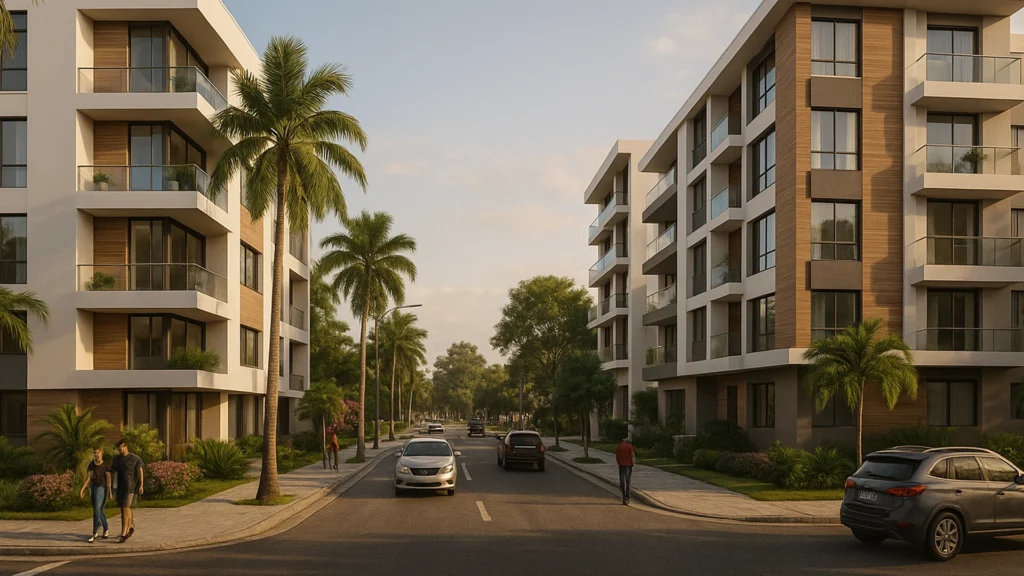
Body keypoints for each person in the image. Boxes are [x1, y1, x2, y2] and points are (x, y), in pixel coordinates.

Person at [111, 439, 144, 544]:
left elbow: (140, 471)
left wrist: (141, 484)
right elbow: (112, 471)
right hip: (120, 487)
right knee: (124, 509)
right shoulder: (117, 459)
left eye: (121, 449)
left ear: (125, 447)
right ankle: (130, 527)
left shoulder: (134, 458)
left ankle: (123, 533)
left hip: (130, 487)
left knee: (125, 508)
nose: (120, 451)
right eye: (119, 450)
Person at [78, 446, 112, 543]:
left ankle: (95, 529)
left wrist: (110, 492)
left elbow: (109, 479)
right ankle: (105, 528)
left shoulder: (106, 465)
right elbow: (89, 478)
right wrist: (82, 489)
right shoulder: (92, 464)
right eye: (95, 453)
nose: (96, 454)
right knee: (98, 509)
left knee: (97, 508)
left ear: (101, 453)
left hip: (102, 487)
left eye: (98, 452)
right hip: (94, 487)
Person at [615, 437, 635, 505]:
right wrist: (633, 463)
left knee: (622, 481)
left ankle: (624, 497)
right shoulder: (629, 446)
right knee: (628, 481)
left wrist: (619, 463)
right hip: (628, 465)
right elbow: (632, 456)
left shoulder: (619, 446)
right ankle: (628, 496)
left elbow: (617, 457)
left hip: (621, 465)